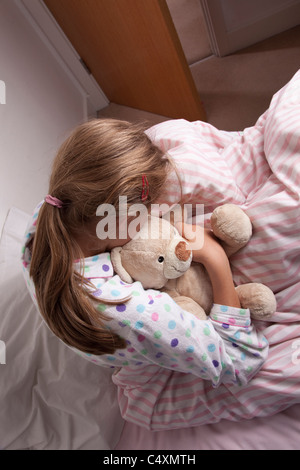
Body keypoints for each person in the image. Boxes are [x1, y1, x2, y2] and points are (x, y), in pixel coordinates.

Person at [22, 118, 268, 393]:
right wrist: (215, 258)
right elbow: (242, 361)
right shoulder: (128, 310)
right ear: (116, 220)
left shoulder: (52, 211)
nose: (151, 216)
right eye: (146, 210)